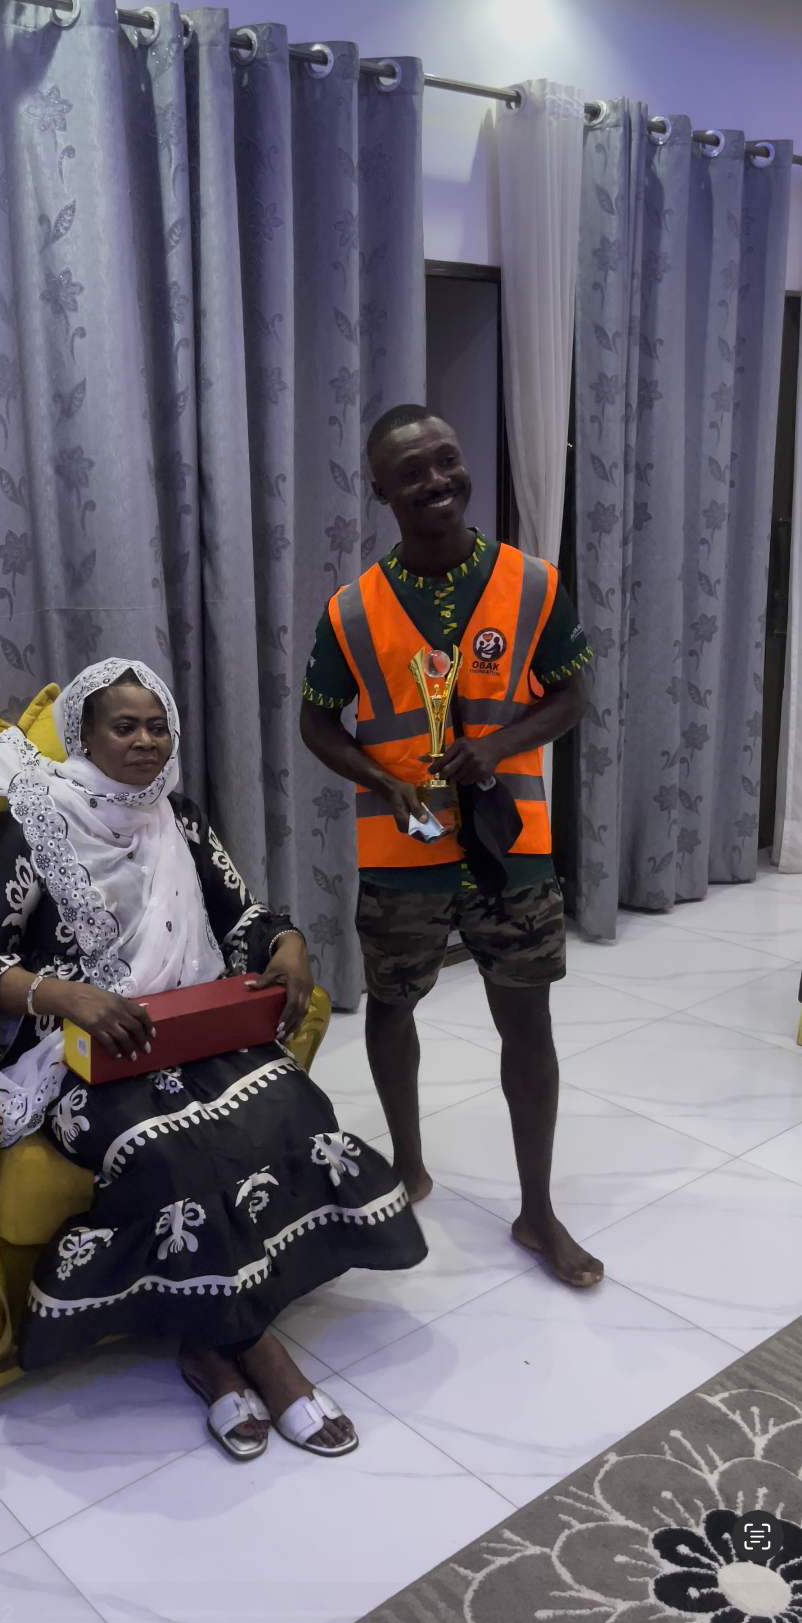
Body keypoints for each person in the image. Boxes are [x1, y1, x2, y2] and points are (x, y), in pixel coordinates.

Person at [0, 658, 426, 1459]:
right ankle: (257, 1353)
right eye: (122, 727)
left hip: (192, 1029)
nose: (143, 743)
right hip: (81, 1056)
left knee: (290, 1107)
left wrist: (288, 941)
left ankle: (210, 1348)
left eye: (156, 726)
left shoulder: (181, 819)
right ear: (85, 738)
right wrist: (63, 995)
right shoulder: (30, 824)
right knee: (170, 1149)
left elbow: (239, 913)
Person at [299, 405, 603, 1289]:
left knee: (527, 1017)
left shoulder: (533, 584)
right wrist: (384, 779)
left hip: (512, 844)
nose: (437, 481)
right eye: (414, 472)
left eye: (448, 461)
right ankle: (408, 1163)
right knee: (393, 1007)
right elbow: (319, 721)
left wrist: (501, 748)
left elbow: (573, 695)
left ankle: (537, 1211)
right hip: (403, 844)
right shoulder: (352, 610)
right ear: (382, 491)